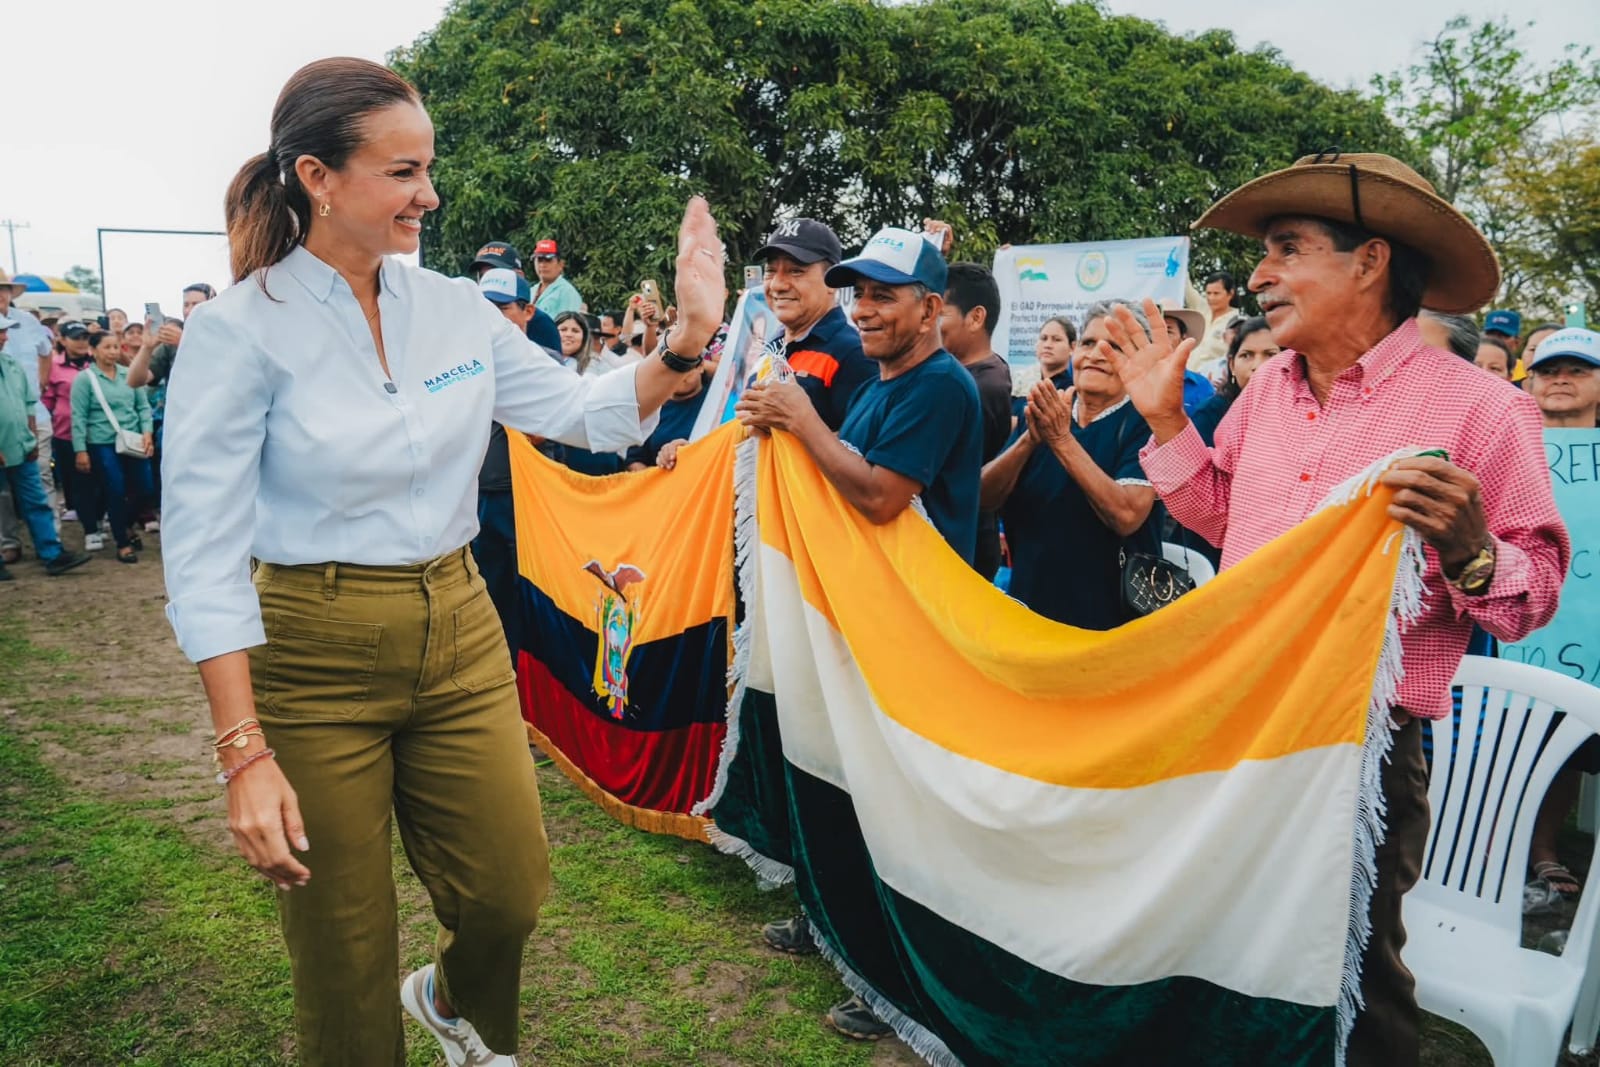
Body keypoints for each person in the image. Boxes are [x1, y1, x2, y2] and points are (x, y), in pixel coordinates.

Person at [158, 57, 724, 1067]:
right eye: (402, 171)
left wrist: (686, 339)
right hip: (314, 646)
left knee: (510, 890)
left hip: (461, 624)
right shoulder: (238, 332)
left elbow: (577, 410)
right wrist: (243, 750)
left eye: (428, 168)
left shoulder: (455, 308)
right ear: (316, 177)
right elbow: (201, 553)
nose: (428, 193)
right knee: (343, 947)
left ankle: (452, 1002)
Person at [1108, 152, 1568, 1067]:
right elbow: (1222, 515)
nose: (1259, 276)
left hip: (1360, 744)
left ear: (1370, 262)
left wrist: (1471, 548)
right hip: (1236, 713)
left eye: (1287, 248)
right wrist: (1165, 424)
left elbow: (1535, 592)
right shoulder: (1266, 392)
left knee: (1349, 971)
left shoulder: (1483, 409)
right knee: (1229, 939)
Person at [736, 226, 981, 1042]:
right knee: (843, 776)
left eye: (885, 295)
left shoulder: (941, 386)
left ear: (932, 308)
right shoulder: (883, 382)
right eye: (860, 293)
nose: (866, 309)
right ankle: (835, 918)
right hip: (865, 613)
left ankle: (893, 974)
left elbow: (879, 497)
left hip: (916, 624)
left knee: (895, 805)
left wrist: (801, 420)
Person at [979, 301, 1157, 629]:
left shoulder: (1145, 423)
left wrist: (1061, 440)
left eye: (1114, 347)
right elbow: (983, 498)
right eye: (1088, 343)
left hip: (1109, 624)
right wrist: (1029, 440)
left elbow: (1127, 515)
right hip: (1029, 609)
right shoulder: (1048, 408)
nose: (1096, 354)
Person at [1521, 327, 1600, 900]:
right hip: (1513, 628)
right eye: (1549, 370)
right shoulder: (1504, 451)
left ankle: (1543, 848)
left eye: (1578, 369)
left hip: (1587, 638)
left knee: (1569, 743)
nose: (1562, 379)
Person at [754, 218, 877, 431]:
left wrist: (795, 424)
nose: (777, 284)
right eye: (771, 271)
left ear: (831, 282)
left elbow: (860, 445)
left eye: (795, 271)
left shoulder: (853, 354)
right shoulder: (772, 346)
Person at [0, 313, 90, 579]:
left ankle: (52, 553)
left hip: (21, 446)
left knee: (37, 500)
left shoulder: (11, 364)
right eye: (1, 332)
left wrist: (30, 437)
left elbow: (29, 403)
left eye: (5, 331)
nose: (5, 337)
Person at [939, 262, 1014, 579]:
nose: (927, 322)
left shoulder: (980, 387)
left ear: (976, 318)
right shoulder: (979, 371)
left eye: (939, 312)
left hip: (959, 547)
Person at [71, 329, 154, 563]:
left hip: (133, 440)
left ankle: (125, 524)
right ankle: (122, 542)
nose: (112, 352)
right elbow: (78, 416)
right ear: (93, 350)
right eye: (106, 347)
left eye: (116, 347)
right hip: (102, 442)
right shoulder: (85, 379)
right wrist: (80, 450)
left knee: (146, 488)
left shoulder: (130, 374)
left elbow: (143, 407)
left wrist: (147, 433)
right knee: (115, 490)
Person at [1190, 315, 1278, 446]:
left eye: (1270, 354)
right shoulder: (1210, 414)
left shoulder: (1303, 412)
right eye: (1246, 355)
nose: (1257, 366)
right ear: (1232, 365)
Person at [1013, 316, 1076, 423]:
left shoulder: (1073, 388)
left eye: (1056, 339)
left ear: (1072, 347)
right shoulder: (1017, 380)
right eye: (1043, 338)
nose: (1048, 345)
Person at [1188, 269, 1239, 368]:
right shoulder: (1202, 309)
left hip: (1215, 376)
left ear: (1230, 294)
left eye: (1216, 293)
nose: (1211, 298)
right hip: (1188, 374)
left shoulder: (1238, 320)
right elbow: (1186, 287)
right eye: (1208, 293)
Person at [530, 239, 583, 316]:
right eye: (539, 260)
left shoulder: (568, 293)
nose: (542, 265)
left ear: (561, 264)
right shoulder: (531, 291)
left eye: (548, 260)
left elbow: (571, 322)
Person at [553, 309, 594, 374]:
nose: (569, 334)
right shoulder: (539, 358)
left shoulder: (593, 367)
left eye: (575, 331)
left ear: (584, 337)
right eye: (563, 329)